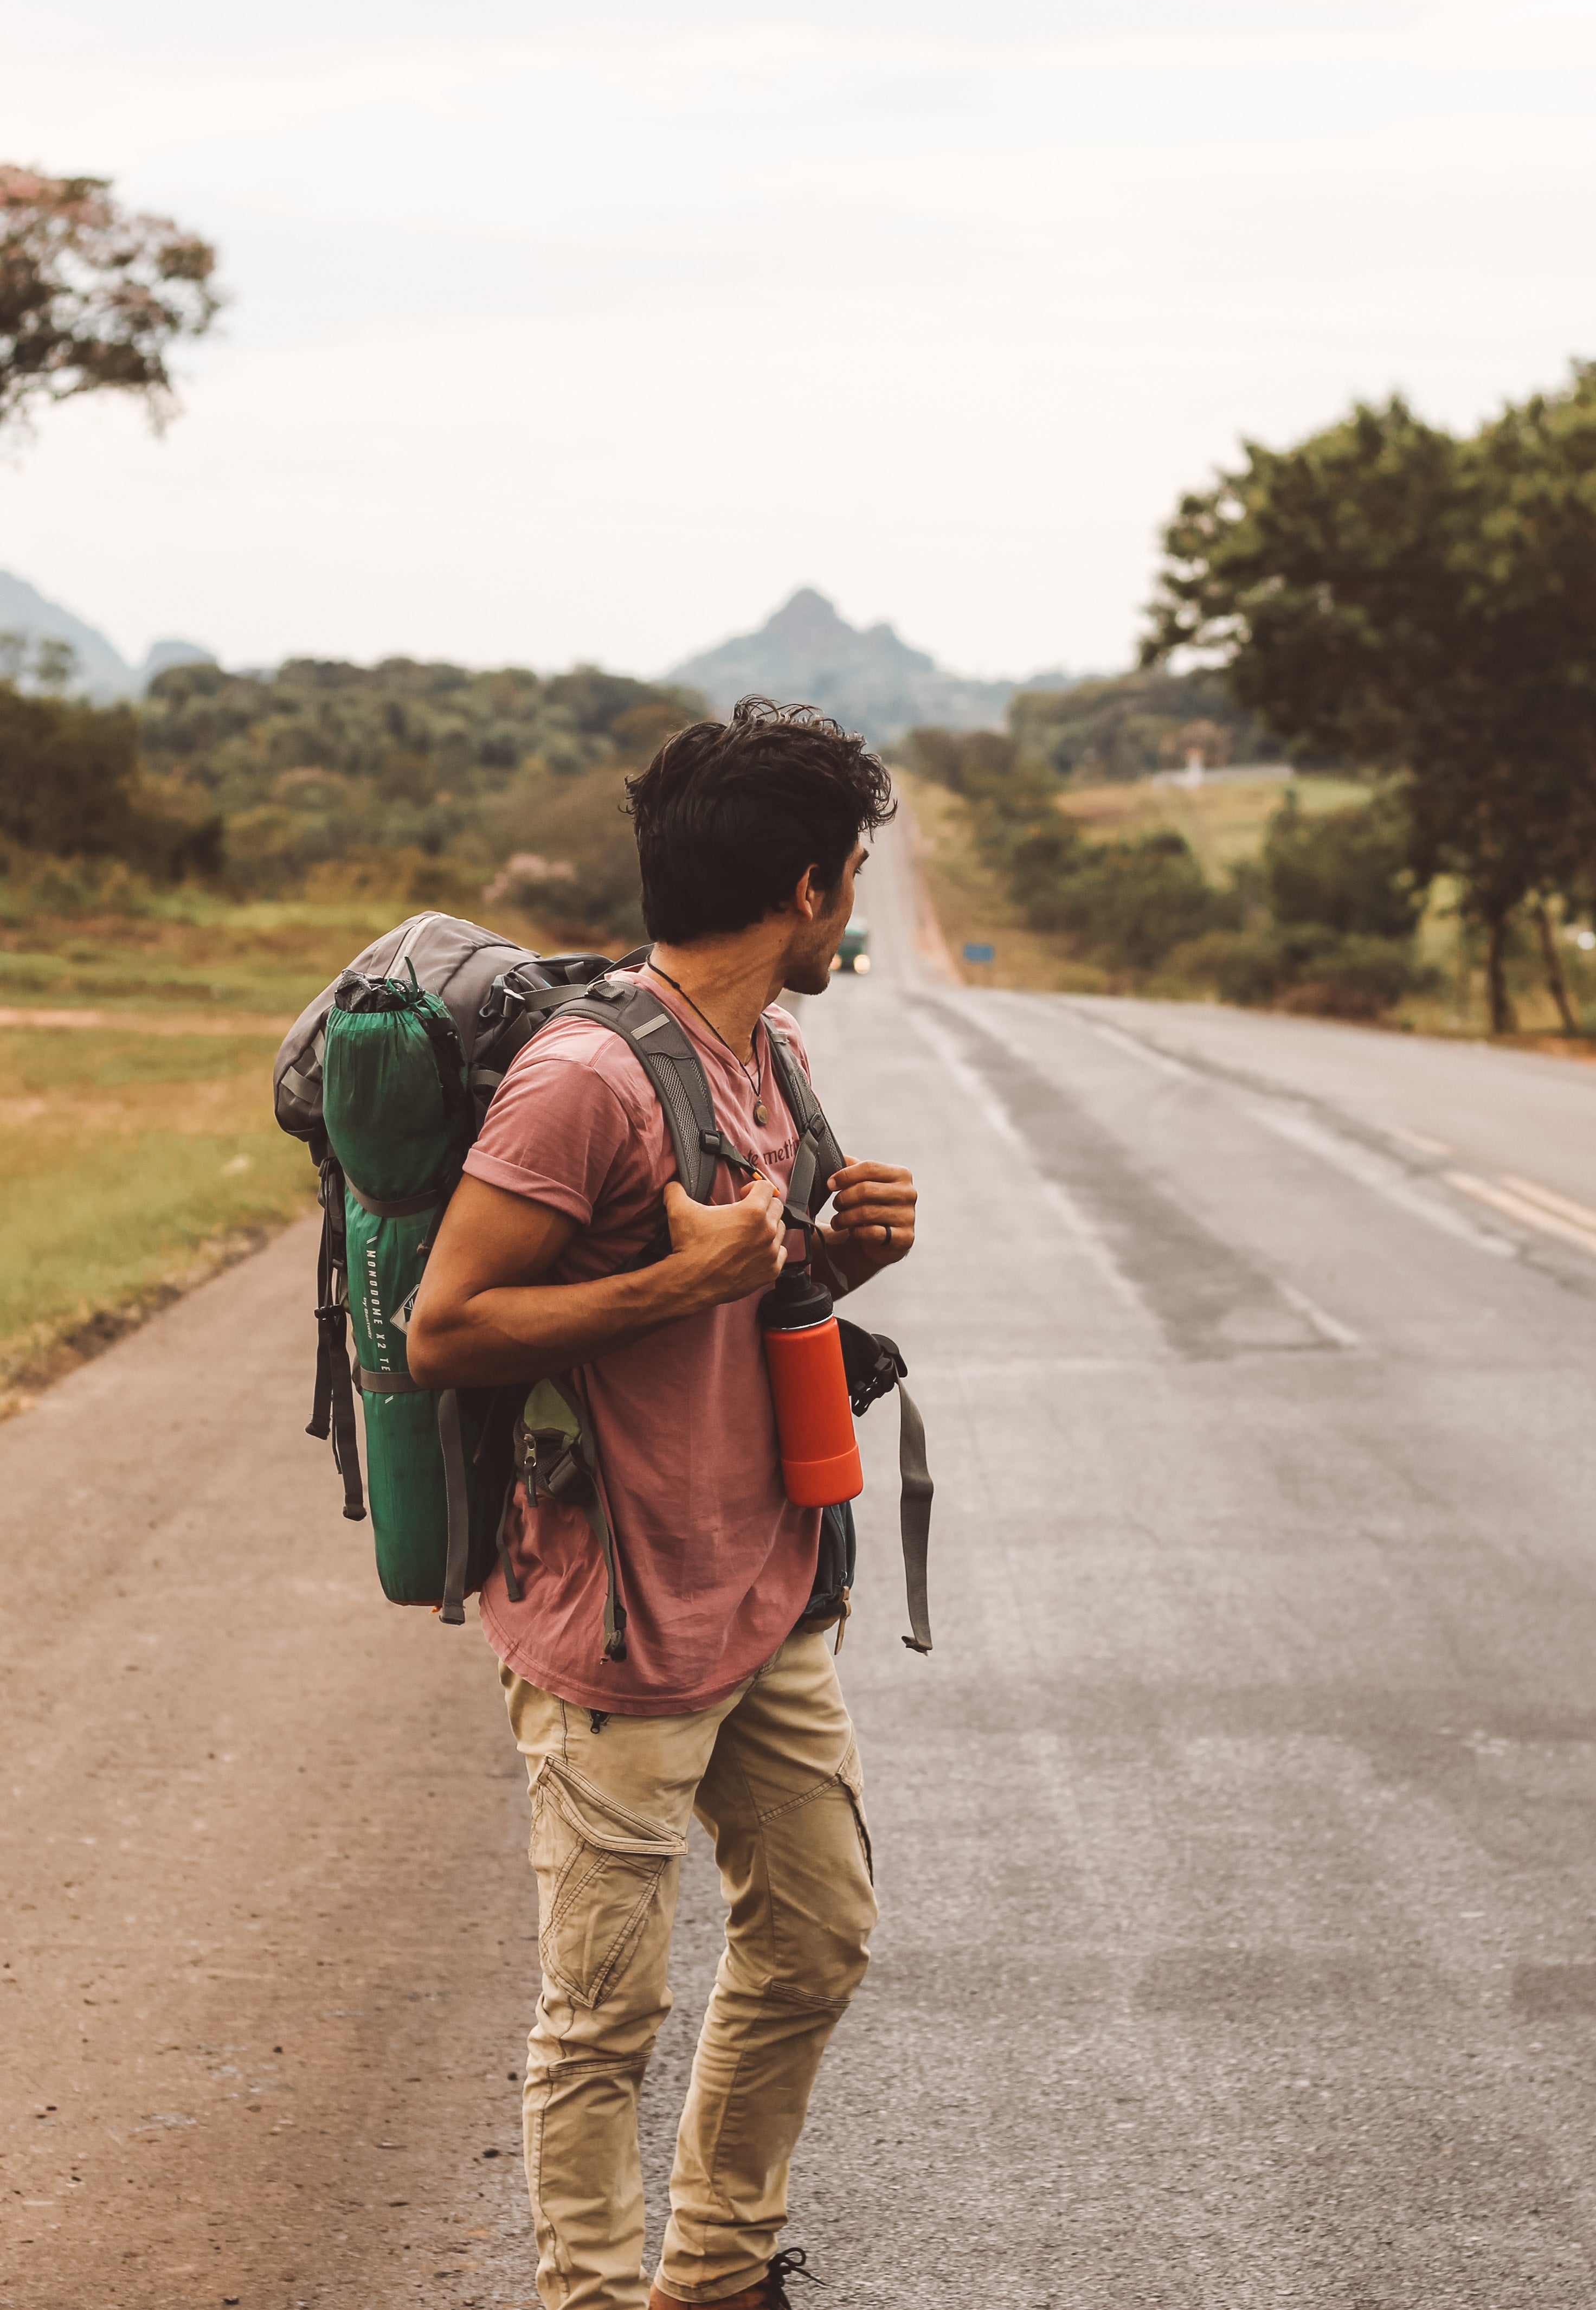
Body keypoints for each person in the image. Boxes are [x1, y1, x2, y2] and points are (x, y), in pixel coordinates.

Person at [408, 697, 918, 2310]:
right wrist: (680, 1280)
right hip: (616, 1620)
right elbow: (444, 1329)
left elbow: (748, 1293)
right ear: (808, 890)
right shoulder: (583, 1080)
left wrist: (839, 1257)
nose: (850, 907)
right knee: (601, 2019)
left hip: (767, 1593)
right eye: (849, 878)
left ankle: (711, 2271)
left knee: (816, 1938)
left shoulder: (772, 1054)